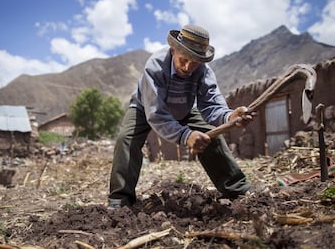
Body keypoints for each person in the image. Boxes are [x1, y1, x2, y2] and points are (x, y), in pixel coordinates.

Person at [108, 24, 252, 208]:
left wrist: (229, 116)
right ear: (173, 49)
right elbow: (157, 114)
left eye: (194, 62)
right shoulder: (155, 66)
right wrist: (186, 135)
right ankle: (120, 200)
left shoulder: (203, 71)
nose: (188, 67)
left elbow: (211, 104)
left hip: (184, 107)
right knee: (126, 139)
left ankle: (237, 189)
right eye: (184, 59)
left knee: (210, 137)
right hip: (146, 107)